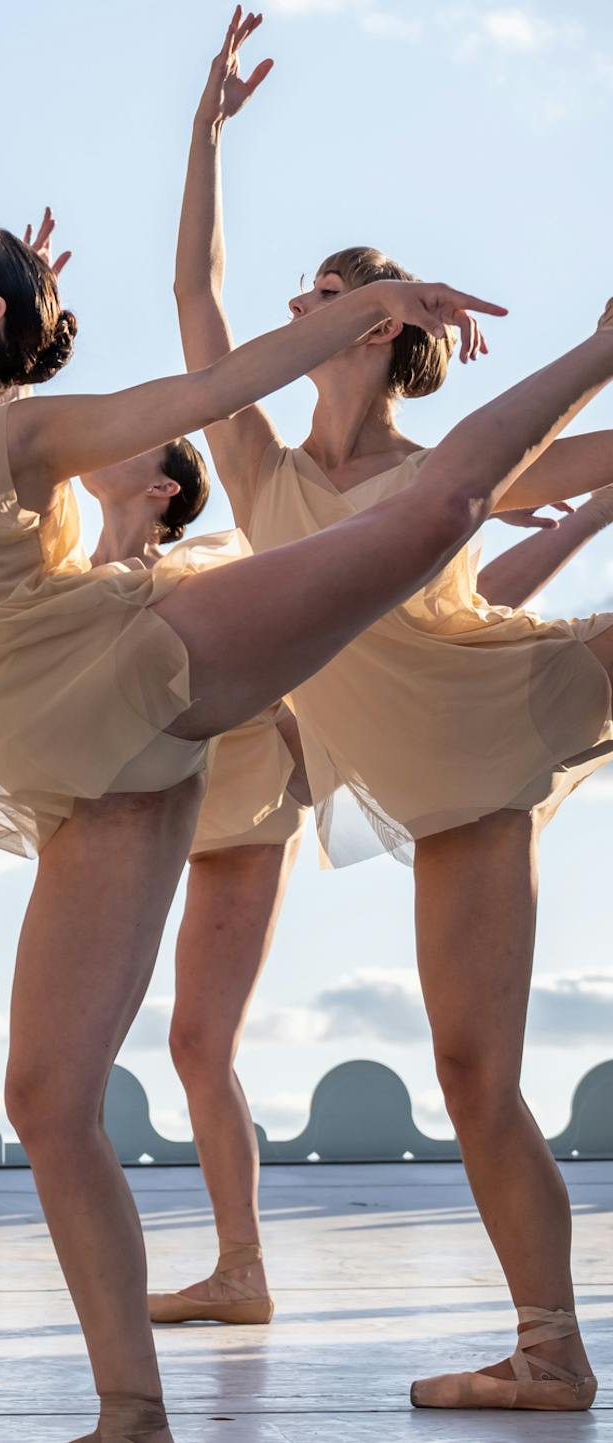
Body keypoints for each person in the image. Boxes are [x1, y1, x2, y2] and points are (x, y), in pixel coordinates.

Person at [0, 1, 610, 1435]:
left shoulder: (31, 434)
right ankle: (139, 1411)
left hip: (216, 677)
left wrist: (519, 341)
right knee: (56, 1095)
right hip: (130, 767)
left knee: (437, 507)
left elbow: (217, 369)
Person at [172, 7, 613, 1410]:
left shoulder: (450, 464)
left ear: (379, 323)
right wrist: (204, 134)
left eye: (329, 294)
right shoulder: (259, 470)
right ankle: (552, 1351)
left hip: (522, 694)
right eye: (304, 293)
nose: (298, 309)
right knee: (473, 1072)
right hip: (450, 794)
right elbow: (196, 298)